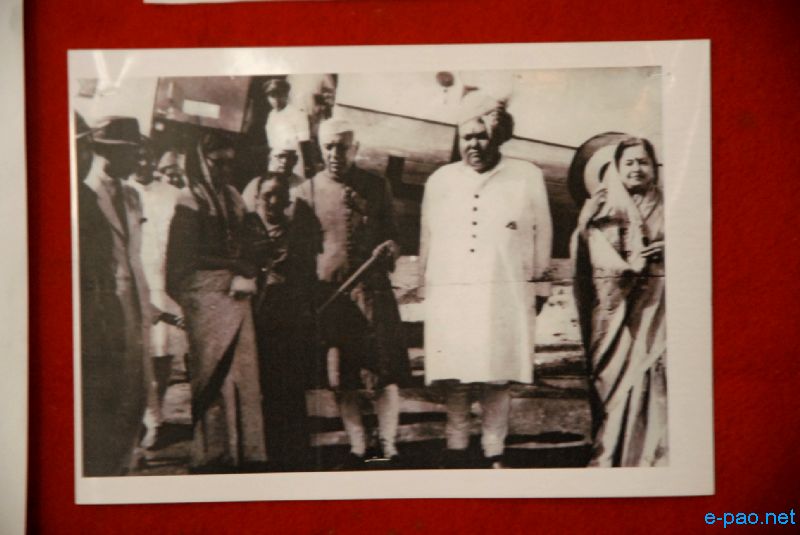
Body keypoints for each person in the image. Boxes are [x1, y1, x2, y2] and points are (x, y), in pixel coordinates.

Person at [418, 92, 553, 468]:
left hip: (503, 292)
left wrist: (540, 283)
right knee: (456, 375)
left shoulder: (526, 175)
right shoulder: (440, 180)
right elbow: (427, 237)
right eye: (466, 137)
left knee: (497, 376)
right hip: (453, 294)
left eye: (481, 136)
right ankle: (456, 447)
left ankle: (494, 450)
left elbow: (543, 232)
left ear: (496, 136)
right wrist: (427, 286)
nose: (474, 145)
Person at [294, 118, 411, 466]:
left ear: (354, 148)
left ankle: (389, 444)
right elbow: (301, 252)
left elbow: (394, 235)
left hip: (373, 293)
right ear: (320, 149)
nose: (335, 154)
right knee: (342, 378)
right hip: (333, 299)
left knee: (383, 373)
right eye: (328, 146)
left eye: (342, 147)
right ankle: (358, 446)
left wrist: (391, 248)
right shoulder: (306, 191)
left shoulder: (376, 185)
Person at [165, 130, 267, 472]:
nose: (224, 170)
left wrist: (250, 260)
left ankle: (243, 451)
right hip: (206, 297)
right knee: (213, 375)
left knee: (241, 374)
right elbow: (184, 258)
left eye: (229, 164)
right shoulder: (189, 199)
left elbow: (248, 240)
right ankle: (213, 454)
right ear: (201, 161)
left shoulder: (234, 197)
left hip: (236, 294)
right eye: (216, 163)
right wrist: (233, 265)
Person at [573, 137, 667, 467]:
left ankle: (647, 453)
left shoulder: (670, 206)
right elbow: (587, 254)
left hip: (656, 307)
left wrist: (670, 248)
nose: (636, 168)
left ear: (653, 167)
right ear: (617, 167)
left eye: (643, 162)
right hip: (614, 312)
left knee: (651, 374)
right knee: (612, 381)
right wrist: (627, 267)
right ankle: (609, 452)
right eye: (629, 162)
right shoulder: (601, 207)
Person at [80, 116, 151, 476]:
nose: (138, 160)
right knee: (113, 393)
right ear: (108, 152)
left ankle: (126, 462)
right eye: (132, 152)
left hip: (138, 303)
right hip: (108, 308)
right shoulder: (86, 195)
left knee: (139, 389)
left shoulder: (134, 195)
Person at [242, 172, 319, 471]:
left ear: (288, 199)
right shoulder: (246, 230)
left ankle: (295, 456)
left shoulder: (296, 233)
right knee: (258, 389)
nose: (273, 201)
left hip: (288, 323)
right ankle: (261, 455)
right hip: (254, 321)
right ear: (257, 197)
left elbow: (307, 277)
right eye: (267, 195)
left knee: (290, 389)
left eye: (280, 196)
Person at [130, 139, 189, 449]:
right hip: (138, 282)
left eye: (148, 156)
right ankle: (150, 419)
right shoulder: (125, 192)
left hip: (167, 283)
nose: (143, 163)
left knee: (164, 355)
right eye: (138, 156)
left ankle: (157, 416)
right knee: (144, 357)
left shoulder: (172, 194)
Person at [263, 78, 314, 178]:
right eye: (272, 96)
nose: (276, 99)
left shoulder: (297, 114)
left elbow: (305, 143)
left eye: (280, 94)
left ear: (286, 95)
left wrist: (308, 165)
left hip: (293, 162)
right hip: (276, 161)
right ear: (268, 98)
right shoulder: (271, 115)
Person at [241, 139, 306, 212]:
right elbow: (246, 210)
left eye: (290, 157)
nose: (285, 161)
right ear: (270, 158)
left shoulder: (302, 185)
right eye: (280, 156)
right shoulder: (256, 184)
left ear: (295, 160)